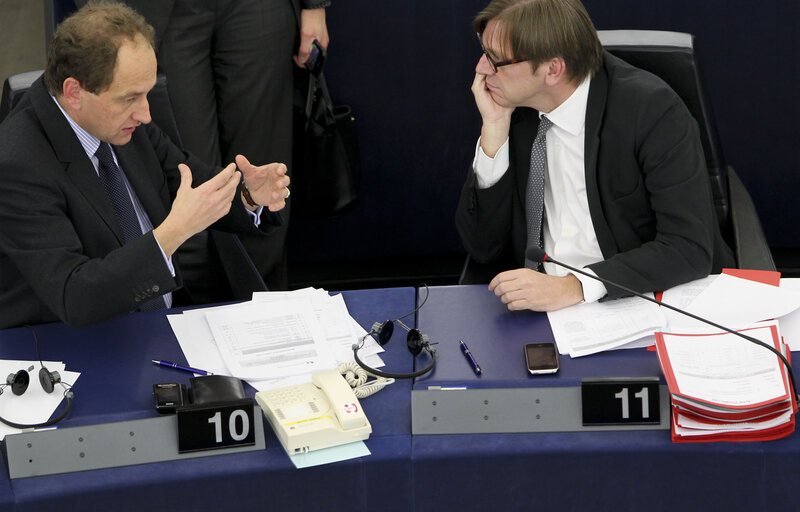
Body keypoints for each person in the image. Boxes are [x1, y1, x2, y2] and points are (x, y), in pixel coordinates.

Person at [0, 1, 291, 330]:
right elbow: (75, 295)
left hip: (164, 323)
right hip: (79, 343)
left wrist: (248, 197)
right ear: (74, 92)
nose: (146, 114)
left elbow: (194, 187)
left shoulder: (125, 124)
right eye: (130, 98)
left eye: (147, 94)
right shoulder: (17, 165)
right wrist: (172, 233)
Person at [456, 0, 734, 312]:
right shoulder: (512, 109)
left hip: (633, 299)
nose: (481, 68)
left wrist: (575, 286)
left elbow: (688, 248)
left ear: (552, 69)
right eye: (483, 50)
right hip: (539, 308)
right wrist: (494, 129)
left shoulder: (651, 111)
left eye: (496, 60)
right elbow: (482, 249)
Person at [75, 0, 332, 291]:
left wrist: (315, 5)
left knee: (263, 179)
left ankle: (265, 305)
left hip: (258, 9)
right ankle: (197, 314)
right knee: (186, 175)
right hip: (162, 12)